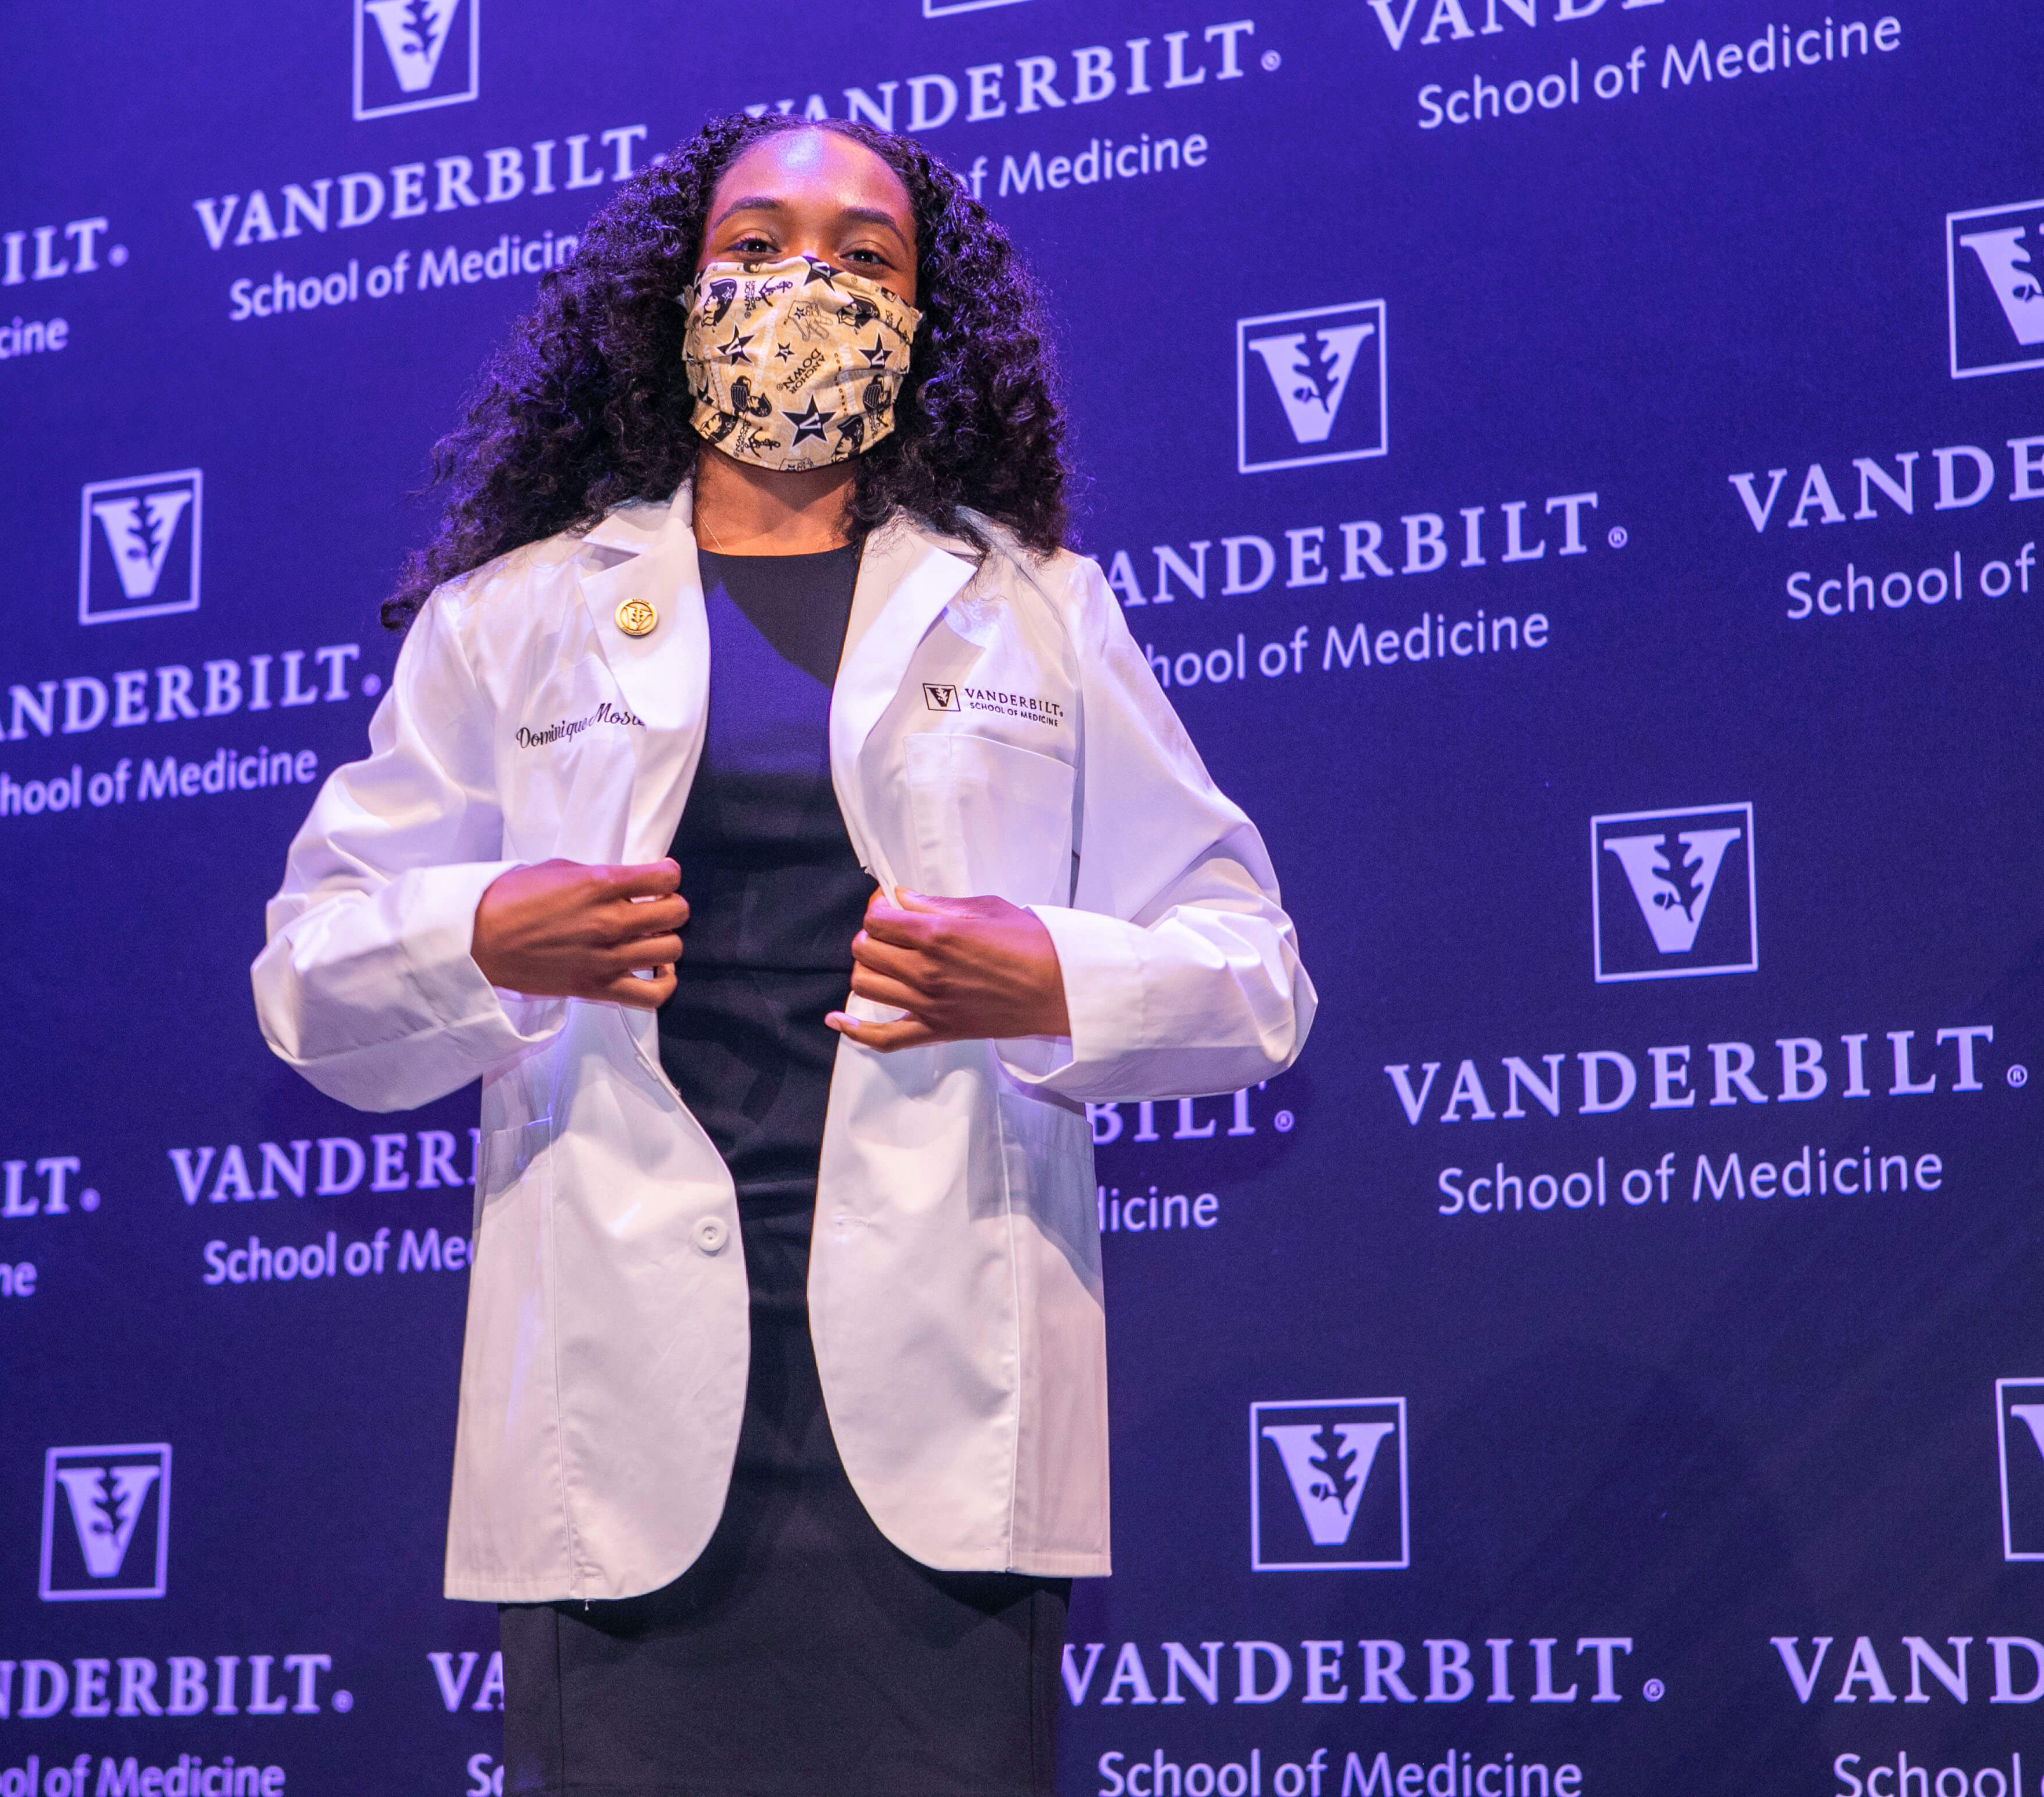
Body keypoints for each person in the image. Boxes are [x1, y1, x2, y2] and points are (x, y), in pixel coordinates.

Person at [251, 112, 1312, 1797]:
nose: (801, 284)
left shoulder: (1036, 607)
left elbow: (1252, 970)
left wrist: (1048, 974)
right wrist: (486, 936)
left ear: (924, 319)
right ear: (675, 296)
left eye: (861, 255)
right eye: (752, 244)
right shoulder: (514, 614)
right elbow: (309, 977)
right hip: (618, 1405)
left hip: (939, 1402)